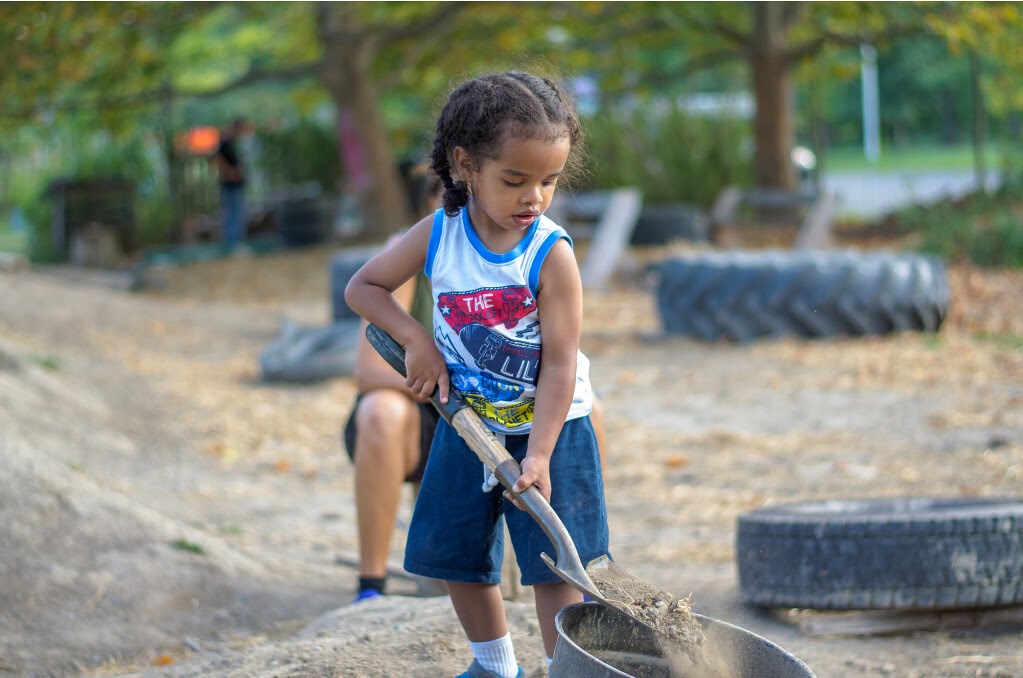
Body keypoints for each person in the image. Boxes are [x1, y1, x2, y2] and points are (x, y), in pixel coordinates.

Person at [345, 71, 609, 678]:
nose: (533, 197)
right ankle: (495, 666)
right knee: (454, 552)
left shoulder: (550, 253)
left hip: (552, 428)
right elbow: (366, 288)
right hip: (466, 424)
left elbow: (562, 363)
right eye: (514, 180)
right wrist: (416, 340)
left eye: (548, 181)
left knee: (554, 565)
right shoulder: (439, 235)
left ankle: (562, 667)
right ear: (465, 165)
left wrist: (539, 455)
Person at [211, 118, 247, 247]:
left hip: (236, 185)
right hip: (230, 186)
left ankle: (236, 242)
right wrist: (230, 172)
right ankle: (232, 244)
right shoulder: (225, 143)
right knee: (232, 215)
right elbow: (217, 159)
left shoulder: (233, 143)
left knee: (237, 214)